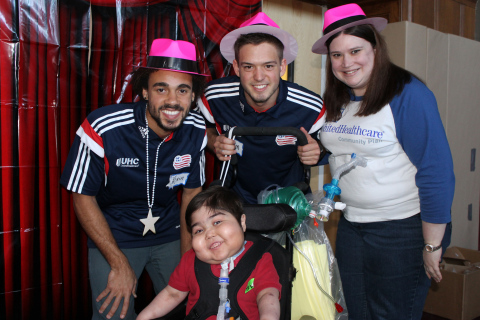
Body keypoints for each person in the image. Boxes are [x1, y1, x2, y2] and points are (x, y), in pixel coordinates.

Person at [311, 3, 455, 320]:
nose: (346, 63)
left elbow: (437, 173)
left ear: (375, 47)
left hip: (402, 228)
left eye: (356, 50)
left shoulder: (407, 95)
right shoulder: (336, 99)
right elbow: (342, 147)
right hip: (353, 225)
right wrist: (316, 152)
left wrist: (432, 245)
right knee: (356, 310)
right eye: (337, 55)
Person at [60, 38, 208, 320]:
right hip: (115, 232)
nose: (172, 101)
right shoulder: (104, 126)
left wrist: (188, 259)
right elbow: (81, 196)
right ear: (144, 91)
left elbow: (191, 195)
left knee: (190, 307)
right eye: (161, 89)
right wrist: (118, 263)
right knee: (113, 313)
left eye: (183, 90)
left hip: (169, 231)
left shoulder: (196, 129)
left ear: (192, 96)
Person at [196, 12, 326, 204]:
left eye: (268, 66)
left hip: (290, 203)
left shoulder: (311, 107)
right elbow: (201, 129)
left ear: (282, 67)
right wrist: (215, 141)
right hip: (234, 203)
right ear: (237, 67)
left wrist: (318, 151)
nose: (259, 77)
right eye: (248, 67)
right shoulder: (213, 96)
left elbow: (326, 147)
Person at [137, 185, 281, 320]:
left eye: (217, 222)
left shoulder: (259, 260)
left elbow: (267, 296)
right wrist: (143, 317)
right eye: (199, 230)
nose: (209, 234)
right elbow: (172, 294)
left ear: (242, 222)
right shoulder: (190, 261)